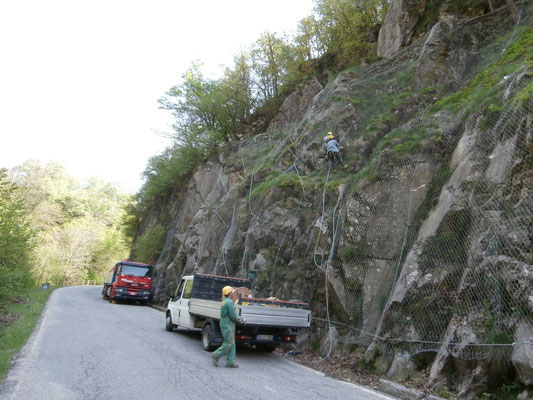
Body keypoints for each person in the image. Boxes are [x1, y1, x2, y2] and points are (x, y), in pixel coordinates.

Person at [211, 286, 246, 368]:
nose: (233, 293)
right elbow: (233, 316)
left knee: (232, 343)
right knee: (229, 342)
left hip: (225, 323)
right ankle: (216, 355)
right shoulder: (229, 302)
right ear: (229, 293)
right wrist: (241, 320)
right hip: (228, 324)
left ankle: (230, 362)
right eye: (232, 292)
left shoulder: (224, 301)